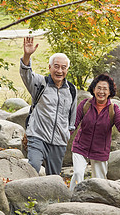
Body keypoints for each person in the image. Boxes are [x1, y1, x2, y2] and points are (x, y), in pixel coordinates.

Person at [20, 37, 77, 175]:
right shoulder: (40, 83)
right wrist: (27, 55)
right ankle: (27, 194)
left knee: (54, 177)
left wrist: (66, 134)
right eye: (56, 66)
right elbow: (26, 74)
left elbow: (72, 117)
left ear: (67, 70)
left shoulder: (71, 89)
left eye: (63, 67)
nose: (59, 71)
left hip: (59, 141)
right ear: (50, 67)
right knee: (33, 167)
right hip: (37, 135)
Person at [70, 73, 120, 191]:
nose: (101, 92)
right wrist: (63, 138)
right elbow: (74, 124)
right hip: (80, 146)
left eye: (105, 89)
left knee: (100, 182)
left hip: (100, 150)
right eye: (98, 88)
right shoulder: (85, 104)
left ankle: (99, 204)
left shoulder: (113, 109)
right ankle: (73, 198)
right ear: (93, 89)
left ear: (109, 92)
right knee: (78, 173)